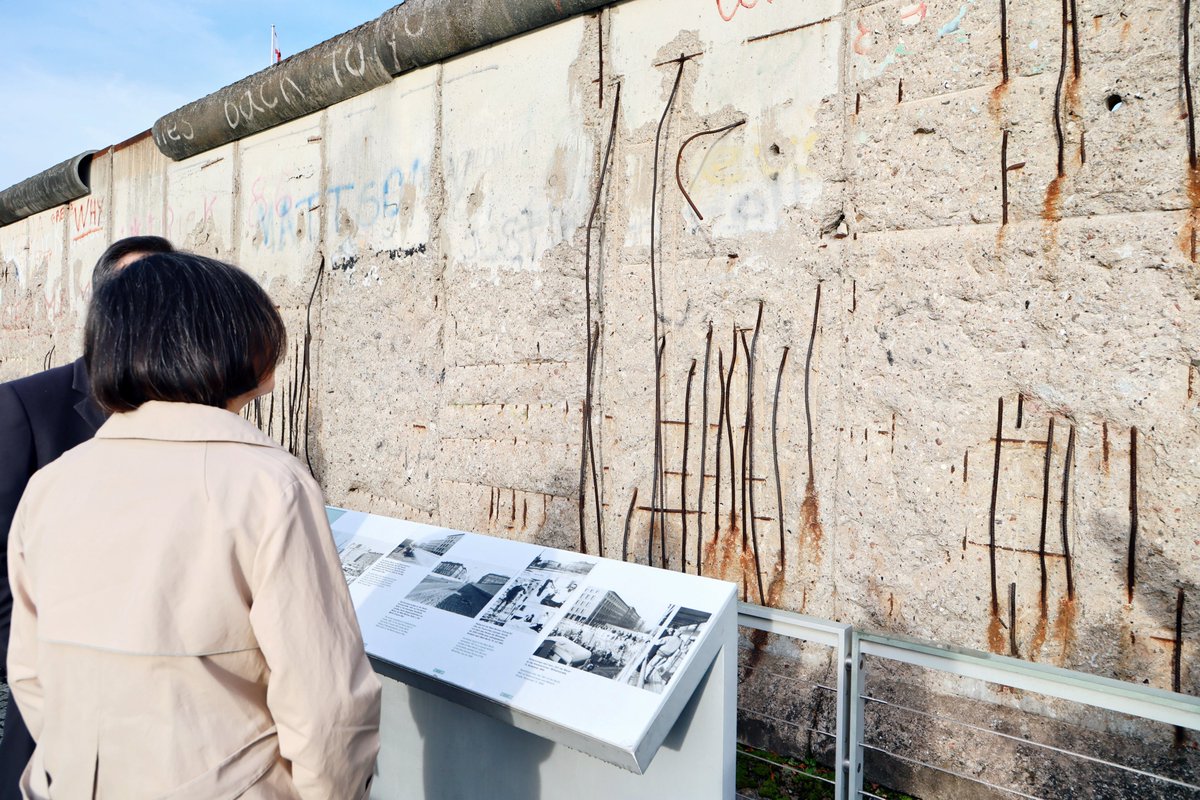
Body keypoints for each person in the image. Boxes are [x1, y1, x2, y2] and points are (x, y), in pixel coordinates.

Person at [6, 252, 380, 797]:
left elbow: (32, 676)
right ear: (222, 343)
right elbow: (327, 710)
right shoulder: (269, 486)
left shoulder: (53, 484)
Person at [0, 235, 174, 794]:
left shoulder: (190, 410)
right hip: (54, 692)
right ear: (103, 305)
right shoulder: (27, 405)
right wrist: (37, 667)